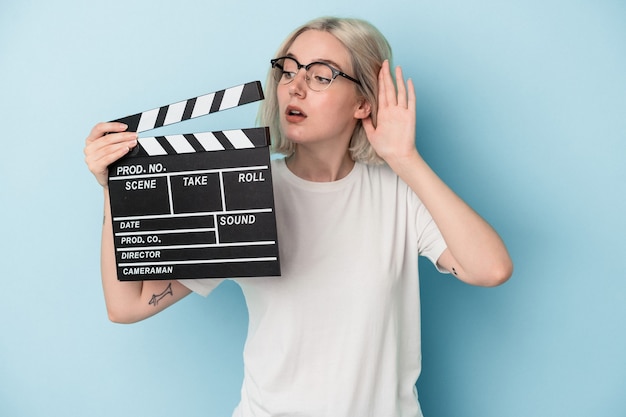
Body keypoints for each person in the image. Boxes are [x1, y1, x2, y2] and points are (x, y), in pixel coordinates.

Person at [84, 16, 512, 417]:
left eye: (321, 75)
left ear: (363, 101)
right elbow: (129, 305)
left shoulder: (398, 191)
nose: (296, 87)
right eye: (288, 71)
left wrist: (406, 159)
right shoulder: (241, 189)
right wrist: (113, 191)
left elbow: (490, 269)